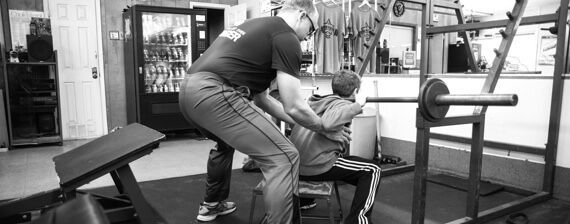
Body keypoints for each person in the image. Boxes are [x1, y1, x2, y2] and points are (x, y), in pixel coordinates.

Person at [178, 0, 352, 222]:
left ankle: (212, 204)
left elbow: (263, 99)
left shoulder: (256, 26)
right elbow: (294, 105)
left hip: (189, 91)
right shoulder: (286, 37)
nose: (309, 37)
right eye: (312, 29)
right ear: (301, 15)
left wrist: (303, 124)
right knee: (285, 157)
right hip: (215, 94)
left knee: (225, 142)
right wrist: (323, 127)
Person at [289, 69, 382, 224]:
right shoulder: (343, 104)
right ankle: (359, 220)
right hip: (317, 167)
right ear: (355, 91)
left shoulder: (315, 102)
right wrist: (359, 105)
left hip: (296, 167)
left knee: (333, 155)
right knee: (372, 170)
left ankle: (305, 200)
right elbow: (327, 122)